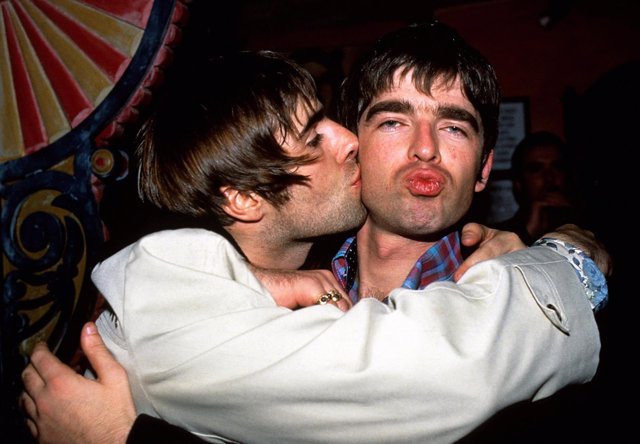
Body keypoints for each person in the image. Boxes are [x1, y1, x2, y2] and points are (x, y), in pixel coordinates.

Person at [22, 30, 608, 444]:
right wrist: (570, 260)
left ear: (484, 168)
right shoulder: (177, 289)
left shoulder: (537, 335)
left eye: (453, 127)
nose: (425, 147)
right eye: (393, 121)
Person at [495, 131, 581, 244]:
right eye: (536, 169)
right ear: (518, 182)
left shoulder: (592, 228)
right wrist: (528, 233)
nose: (549, 178)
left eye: (557, 167)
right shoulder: (498, 236)